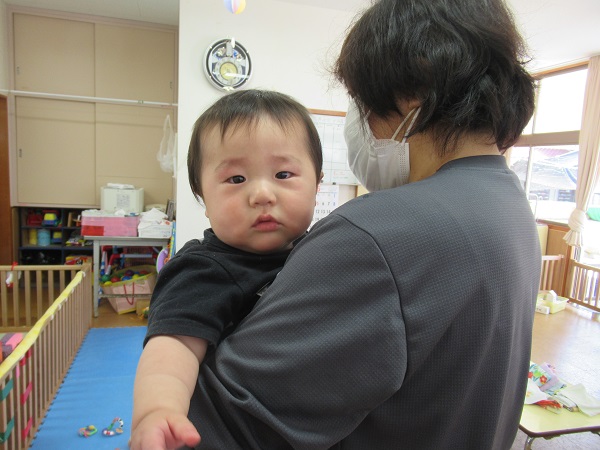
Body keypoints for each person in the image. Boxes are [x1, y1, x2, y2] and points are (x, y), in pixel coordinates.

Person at [157, 0, 542, 447]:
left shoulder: (378, 236)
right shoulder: (510, 205)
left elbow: (222, 429)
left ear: (411, 95)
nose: (262, 195)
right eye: (236, 179)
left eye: (360, 102)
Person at [129, 89, 323, 450]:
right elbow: (174, 347)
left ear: (317, 185)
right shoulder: (204, 270)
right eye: (236, 179)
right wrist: (157, 410)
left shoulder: (323, 249)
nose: (262, 194)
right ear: (203, 198)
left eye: (283, 174)